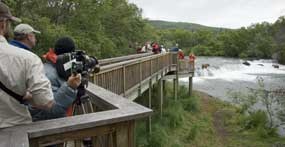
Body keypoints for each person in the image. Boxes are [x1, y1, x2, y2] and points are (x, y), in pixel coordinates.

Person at [0, 2, 54, 128]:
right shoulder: (27, 59)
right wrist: (27, 96)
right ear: (3, 24)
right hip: (13, 130)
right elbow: (46, 101)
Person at [29, 37, 81, 121]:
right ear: (70, 54)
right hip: (47, 128)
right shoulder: (49, 74)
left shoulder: (53, 67)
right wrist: (70, 88)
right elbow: (51, 111)